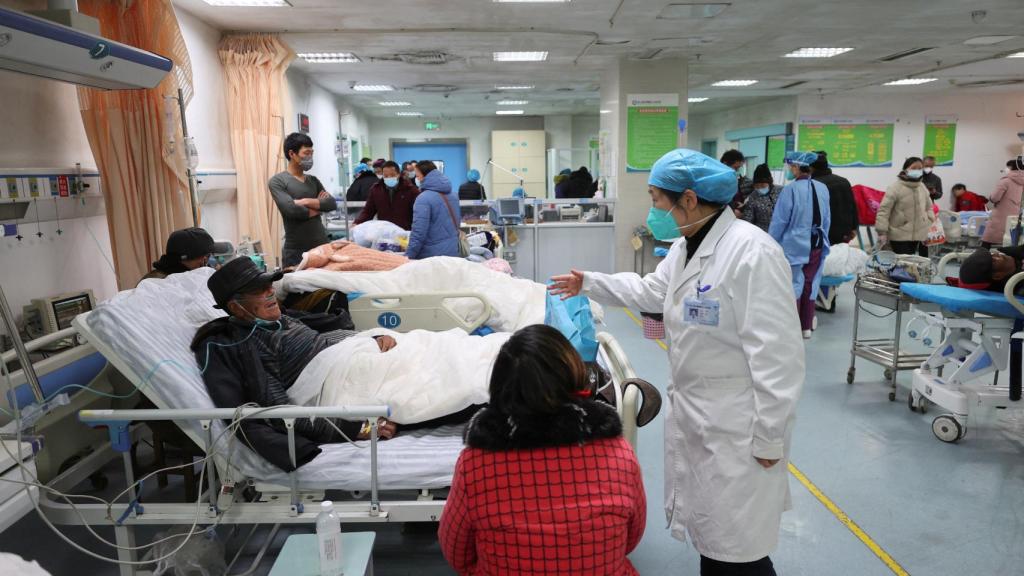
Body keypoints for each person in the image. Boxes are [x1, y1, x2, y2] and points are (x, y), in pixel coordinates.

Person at [550, 149, 803, 576]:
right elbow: (652, 291)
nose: (653, 211)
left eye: (655, 199)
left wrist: (769, 439)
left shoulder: (751, 253)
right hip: (701, 414)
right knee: (716, 543)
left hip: (739, 424)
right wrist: (589, 283)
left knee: (738, 550)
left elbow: (778, 357)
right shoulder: (688, 247)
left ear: (687, 199)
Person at [438, 325, 646, 575]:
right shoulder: (617, 454)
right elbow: (630, 538)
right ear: (574, 377)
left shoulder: (476, 465)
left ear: (501, 388)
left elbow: (457, 553)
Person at [192, 257, 399, 472]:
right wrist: (358, 427)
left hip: (361, 353)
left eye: (268, 286)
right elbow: (280, 412)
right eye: (259, 291)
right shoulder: (250, 345)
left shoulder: (282, 320)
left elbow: (324, 340)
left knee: (428, 346)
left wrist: (370, 338)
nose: (270, 292)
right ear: (236, 307)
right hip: (343, 377)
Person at [770, 152, 831, 340]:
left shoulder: (790, 190)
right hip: (817, 244)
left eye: (791, 167)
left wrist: (770, 243)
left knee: (793, 283)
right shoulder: (822, 188)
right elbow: (827, 219)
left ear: (796, 167)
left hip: (794, 245)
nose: (790, 171)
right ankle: (806, 327)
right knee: (810, 284)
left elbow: (780, 221)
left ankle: (792, 327)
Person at [269, 133, 338, 268]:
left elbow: (331, 203)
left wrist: (305, 201)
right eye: (306, 153)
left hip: (322, 246)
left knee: (324, 289)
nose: (310, 157)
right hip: (296, 251)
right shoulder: (278, 181)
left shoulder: (313, 180)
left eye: (312, 153)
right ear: (292, 154)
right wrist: (318, 207)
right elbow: (291, 210)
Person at [875, 157, 935, 256]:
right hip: (898, 233)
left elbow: (929, 207)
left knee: (911, 262)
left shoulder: (922, 187)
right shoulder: (895, 188)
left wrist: (929, 220)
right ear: (905, 170)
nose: (917, 171)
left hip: (919, 234)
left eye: (920, 168)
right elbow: (884, 211)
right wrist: (882, 232)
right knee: (902, 263)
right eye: (913, 168)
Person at [407, 160, 461, 259]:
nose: (416, 179)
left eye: (418, 176)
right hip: (453, 251)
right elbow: (457, 223)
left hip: (432, 257)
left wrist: (409, 255)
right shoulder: (454, 195)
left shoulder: (423, 198)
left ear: (425, 176)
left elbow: (419, 232)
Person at [140, 227, 227, 284]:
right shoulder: (158, 284)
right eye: (207, 256)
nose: (207, 261)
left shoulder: (182, 276)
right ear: (185, 258)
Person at [811, 151, 859, 246]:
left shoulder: (813, 184)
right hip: (843, 233)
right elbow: (852, 207)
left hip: (823, 234)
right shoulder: (844, 181)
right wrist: (854, 227)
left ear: (811, 167)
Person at [354, 160, 419, 230]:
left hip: (405, 232)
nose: (389, 178)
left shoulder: (410, 190)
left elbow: (418, 213)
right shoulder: (376, 190)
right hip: (385, 232)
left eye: (392, 175)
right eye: (386, 176)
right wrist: (357, 223)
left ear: (399, 174)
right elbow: (368, 211)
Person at [981, 157, 1024, 248]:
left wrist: (991, 198)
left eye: (1007, 166)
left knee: (987, 241)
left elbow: (995, 198)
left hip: (1000, 215)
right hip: (1014, 216)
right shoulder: (1021, 182)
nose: (1006, 169)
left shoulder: (1005, 181)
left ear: (1012, 167)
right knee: (1008, 240)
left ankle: (982, 259)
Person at [958, 246, 1024, 293]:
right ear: (997, 276)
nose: (997, 254)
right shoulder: (1019, 284)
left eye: (992, 255)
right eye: (993, 260)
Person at [740, 163, 782, 232]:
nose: (759, 188)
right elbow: (748, 216)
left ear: (770, 182)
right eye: (757, 186)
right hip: (761, 232)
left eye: (762, 185)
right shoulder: (753, 196)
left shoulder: (781, 192)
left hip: (779, 231)